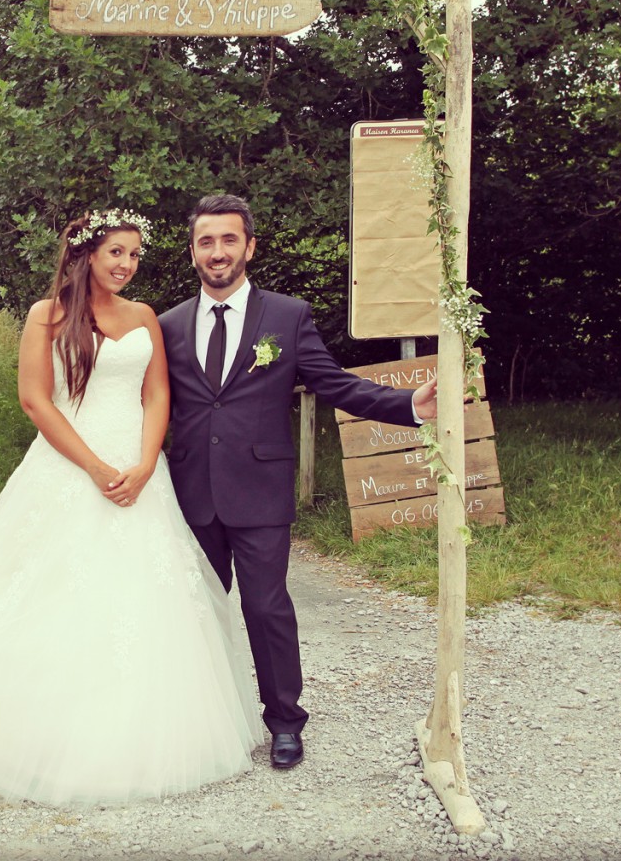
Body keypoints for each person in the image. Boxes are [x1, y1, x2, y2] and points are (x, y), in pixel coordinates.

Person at [0, 208, 262, 806]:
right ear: (87, 253)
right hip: (71, 463)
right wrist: (94, 467)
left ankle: (146, 723)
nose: (127, 265)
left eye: (135, 255)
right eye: (116, 252)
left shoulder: (143, 316)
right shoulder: (47, 316)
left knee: (147, 592)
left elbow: (157, 393)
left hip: (139, 471)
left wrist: (145, 462)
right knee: (54, 584)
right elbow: (35, 401)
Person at [157, 194, 438, 770]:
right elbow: (151, 407)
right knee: (195, 610)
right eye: (206, 242)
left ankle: (285, 722)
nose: (217, 252)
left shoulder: (287, 317)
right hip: (188, 491)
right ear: (192, 253)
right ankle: (199, 723)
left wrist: (409, 405)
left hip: (259, 490)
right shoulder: (166, 326)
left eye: (229, 239)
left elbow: (335, 384)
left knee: (266, 609)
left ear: (250, 247)